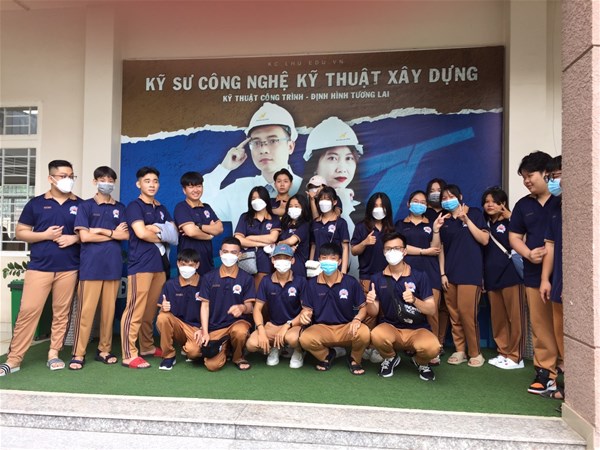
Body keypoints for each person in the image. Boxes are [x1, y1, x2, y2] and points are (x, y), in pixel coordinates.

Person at [1, 160, 81, 376]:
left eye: (71, 176)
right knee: (28, 311)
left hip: (69, 267)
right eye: (63, 176)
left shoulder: (81, 204)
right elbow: (20, 232)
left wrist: (74, 238)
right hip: (39, 267)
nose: (68, 180)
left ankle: (54, 354)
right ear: (51, 178)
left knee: (61, 313)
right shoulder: (36, 204)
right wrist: (45, 235)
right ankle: (14, 359)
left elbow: (87, 233)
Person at [508, 151, 560, 395]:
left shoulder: (562, 199)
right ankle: (545, 372)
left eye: (530, 176)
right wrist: (528, 254)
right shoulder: (523, 205)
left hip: (563, 274)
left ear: (546, 173)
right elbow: (514, 237)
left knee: (564, 325)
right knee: (540, 325)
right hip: (533, 274)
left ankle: (569, 371)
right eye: (523, 177)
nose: (527, 181)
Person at [203, 102, 301, 230]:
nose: (263, 149)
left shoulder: (304, 187)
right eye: (256, 142)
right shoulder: (238, 190)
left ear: (290, 146)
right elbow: (200, 210)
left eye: (273, 141)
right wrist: (224, 168)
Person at [69, 166, 128, 370]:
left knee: (109, 313)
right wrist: (113, 233)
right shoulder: (85, 206)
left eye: (111, 180)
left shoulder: (120, 208)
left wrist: (101, 230)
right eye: (103, 179)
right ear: (95, 182)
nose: (107, 183)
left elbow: (125, 235)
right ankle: (78, 353)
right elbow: (84, 237)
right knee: (86, 313)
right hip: (91, 267)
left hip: (113, 267)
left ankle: (104, 350)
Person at [121, 166, 178, 369]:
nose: (152, 184)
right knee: (135, 309)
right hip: (141, 265)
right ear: (138, 184)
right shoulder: (134, 206)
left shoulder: (161, 208)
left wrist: (154, 230)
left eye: (155, 181)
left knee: (149, 311)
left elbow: (174, 234)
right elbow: (141, 233)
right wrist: (162, 234)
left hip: (160, 265)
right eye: (147, 181)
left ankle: (147, 347)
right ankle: (129, 354)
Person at [366, 232, 439, 381]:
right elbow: (373, 313)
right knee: (376, 334)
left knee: (433, 347)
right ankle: (390, 358)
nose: (392, 252)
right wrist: (370, 302)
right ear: (383, 252)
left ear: (404, 251)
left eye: (397, 248)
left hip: (417, 329)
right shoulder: (377, 278)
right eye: (388, 249)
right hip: (391, 328)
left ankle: (420, 362)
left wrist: (414, 300)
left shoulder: (420, 276)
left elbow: (432, 309)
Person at [435, 184, 489, 367]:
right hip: (450, 274)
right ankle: (460, 351)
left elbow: (484, 239)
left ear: (460, 197)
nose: (447, 200)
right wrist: (442, 273)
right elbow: (441, 249)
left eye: (451, 196)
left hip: (470, 273)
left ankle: (475, 352)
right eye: (444, 198)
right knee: (454, 315)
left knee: (468, 314)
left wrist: (466, 220)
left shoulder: (474, 213)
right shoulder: (444, 220)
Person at [299, 242, 371, 375]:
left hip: (346, 327)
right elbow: (307, 309)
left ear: (339, 261)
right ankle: (326, 355)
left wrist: (357, 319)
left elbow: (363, 307)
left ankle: (355, 359)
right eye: (324, 258)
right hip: (322, 328)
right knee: (305, 339)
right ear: (319, 260)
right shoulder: (311, 284)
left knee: (364, 333)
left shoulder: (350, 282)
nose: (328, 261)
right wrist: (305, 314)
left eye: (332, 259)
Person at [304, 116, 363, 277]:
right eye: (332, 158)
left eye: (349, 158)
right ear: (315, 164)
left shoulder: (360, 209)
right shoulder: (303, 204)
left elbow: (348, 247)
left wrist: (343, 271)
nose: (342, 168)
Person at [395, 190, 443, 364]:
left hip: (430, 273)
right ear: (408, 204)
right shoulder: (400, 224)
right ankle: (411, 346)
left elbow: (436, 249)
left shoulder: (431, 223)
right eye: (416, 201)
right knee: (409, 310)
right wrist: (423, 251)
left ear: (427, 206)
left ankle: (433, 350)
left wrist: (436, 231)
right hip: (407, 273)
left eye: (423, 202)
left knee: (432, 312)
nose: (419, 204)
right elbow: (400, 247)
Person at [481, 186, 526, 370]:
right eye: (487, 202)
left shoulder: (512, 221)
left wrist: (511, 217)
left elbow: (527, 236)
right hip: (491, 277)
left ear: (503, 203)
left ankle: (516, 357)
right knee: (498, 318)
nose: (490, 205)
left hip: (511, 276)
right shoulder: (484, 224)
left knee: (515, 317)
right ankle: (503, 352)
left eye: (494, 201)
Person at [196, 237, 256, 371]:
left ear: (239, 255)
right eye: (225, 251)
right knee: (212, 366)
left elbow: (250, 307)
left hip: (237, 324)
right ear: (220, 253)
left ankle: (238, 356)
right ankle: (226, 346)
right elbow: (204, 306)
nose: (229, 255)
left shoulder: (247, 278)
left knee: (240, 332)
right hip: (216, 327)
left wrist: (242, 308)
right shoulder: (208, 277)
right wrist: (204, 331)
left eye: (233, 252)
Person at [246, 244, 306, 368]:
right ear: (273, 260)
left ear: (292, 260)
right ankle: (276, 347)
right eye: (278, 258)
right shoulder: (266, 280)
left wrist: (287, 325)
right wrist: (261, 330)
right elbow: (257, 309)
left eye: (286, 258)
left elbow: (306, 311)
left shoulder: (301, 281)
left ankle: (298, 350)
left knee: (293, 338)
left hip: (294, 325)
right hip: (273, 325)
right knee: (251, 344)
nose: (282, 261)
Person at [539, 155, 565, 400]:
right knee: (561, 334)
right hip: (558, 282)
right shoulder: (555, 206)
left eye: (554, 176)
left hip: (578, 284)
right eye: (549, 177)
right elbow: (550, 245)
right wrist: (545, 279)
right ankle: (567, 386)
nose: (552, 182)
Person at [155, 248, 203, 371]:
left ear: (197, 265)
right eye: (183, 264)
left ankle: (187, 347)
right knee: (162, 317)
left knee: (194, 353)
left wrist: (203, 329)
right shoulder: (170, 285)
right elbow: (161, 316)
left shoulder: (205, 284)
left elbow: (212, 311)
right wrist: (163, 308)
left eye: (191, 265)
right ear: (177, 264)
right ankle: (168, 356)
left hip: (197, 329)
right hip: (178, 326)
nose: (186, 268)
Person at [174, 171, 223, 276]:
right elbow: (191, 232)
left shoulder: (207, 207)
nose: (196, 190)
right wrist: (209, 235)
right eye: (191, 187)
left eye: (199, 186)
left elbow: (219, 229)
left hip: (207, 260)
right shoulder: (181, 207)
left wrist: (199, 226)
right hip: (188, 263)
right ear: (184, 190)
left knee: (207, 285)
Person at [234, 186, 281, 290]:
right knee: (246, 291)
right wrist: (262, 243)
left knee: (261, 291)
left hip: (265, 260)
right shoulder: (245, 217)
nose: (256, 201)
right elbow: (239, 240)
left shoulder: (274, 219)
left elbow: (273, 238)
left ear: (265, 199)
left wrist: (250, 237)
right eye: (253, 199)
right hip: (246, 260)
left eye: (259, 198)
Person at [310, 186, 350, 273]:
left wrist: (343, 272)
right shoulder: (315, 223)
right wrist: (310, 267)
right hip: (317, 268)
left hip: (334, 267)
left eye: (327, 199)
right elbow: (313, 246)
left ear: (334, 202)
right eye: (321, 199)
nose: (324, 202)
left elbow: (345, 247)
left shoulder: (341, 223)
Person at [278, 193, 312, 277]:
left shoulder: (304, 225)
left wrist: (279, 244)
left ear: (303, 208)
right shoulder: (284, 224)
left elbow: (291, 241)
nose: (293, 208)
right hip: (281, 266)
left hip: (298, 266)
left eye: (296, 206)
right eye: (290, 206)